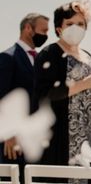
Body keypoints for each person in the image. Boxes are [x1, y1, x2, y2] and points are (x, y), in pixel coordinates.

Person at [34, 1, 91, 169]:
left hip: (86, 132)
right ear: (59, 29)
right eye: (70, 24)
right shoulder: (50, 54)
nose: (76, 27)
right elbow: (45, 93)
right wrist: (85, 83)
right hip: (57, 135)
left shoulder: (88, 56)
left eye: (80, 24)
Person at [0, 13, 50, 182]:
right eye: (43, 30)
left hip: (35, 138)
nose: (45, 35)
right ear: (28, 28)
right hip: (14, 141)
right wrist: (8, 134)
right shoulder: (8, 57)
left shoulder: (41, 60)